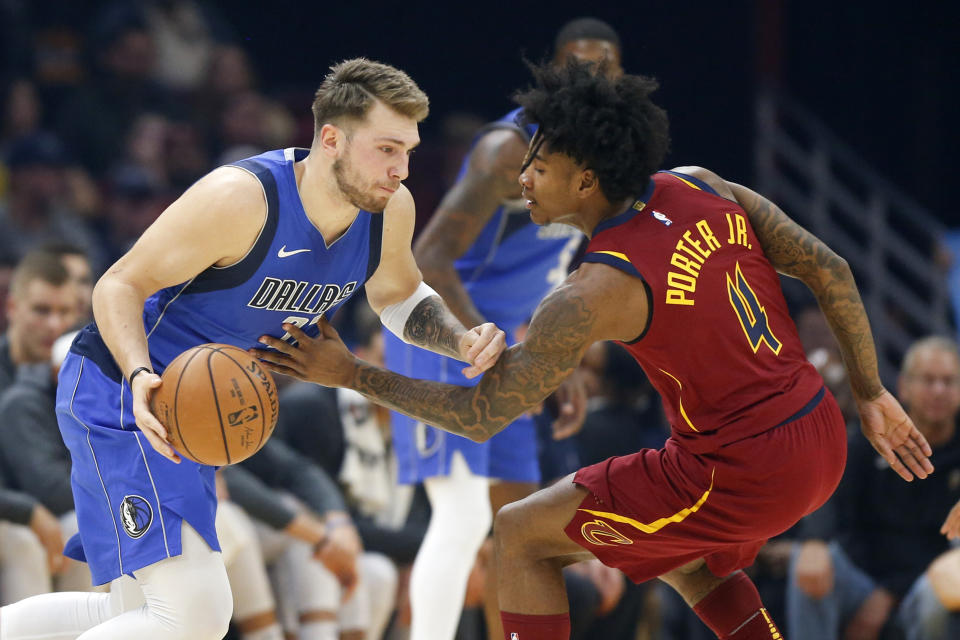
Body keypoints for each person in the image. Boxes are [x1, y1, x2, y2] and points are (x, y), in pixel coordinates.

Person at [252, 60, 935, 640]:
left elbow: (483, 417)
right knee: (676, 551)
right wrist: (872, 393)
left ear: (585, 181)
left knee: (520, 533)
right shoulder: (701, 184)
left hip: (743, 469)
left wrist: (351, 373)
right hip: (819, 433)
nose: (521, 177)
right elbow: (832, 269)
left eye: (539, 166)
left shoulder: (591, 291)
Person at [0, 58, 505, 640]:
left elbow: (398, 295)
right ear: (331, 139)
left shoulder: (389, 212)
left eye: (410, 152)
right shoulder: (241, 198)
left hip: (194, 414)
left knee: (127, 613)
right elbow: (117, 284)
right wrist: (139, 375)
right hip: (125, 392)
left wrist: (459, 336)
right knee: (197, 614)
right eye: (387, 149)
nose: (402, 169)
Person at [384, 18, 618, 640]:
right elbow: (429, 257)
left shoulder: (608, 164)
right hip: (436, 323)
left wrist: (555, 358)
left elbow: (558, 273)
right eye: (577, 65)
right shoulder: (508, 152)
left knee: (518, 524)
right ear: (552, 75)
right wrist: (477, 340)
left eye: (604, 66)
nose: (591, 78)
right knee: (460, 517)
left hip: (507, 338)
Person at [787, 336, 960, 639]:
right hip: (863, 576)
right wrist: (813, 542)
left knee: (946, 585)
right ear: (904, 386)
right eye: (928, 380)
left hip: (929, 581)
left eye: (948, 381)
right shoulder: (871, 436)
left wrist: (889, 595)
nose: (938, 391)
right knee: (811, 561)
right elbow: (829, 493)